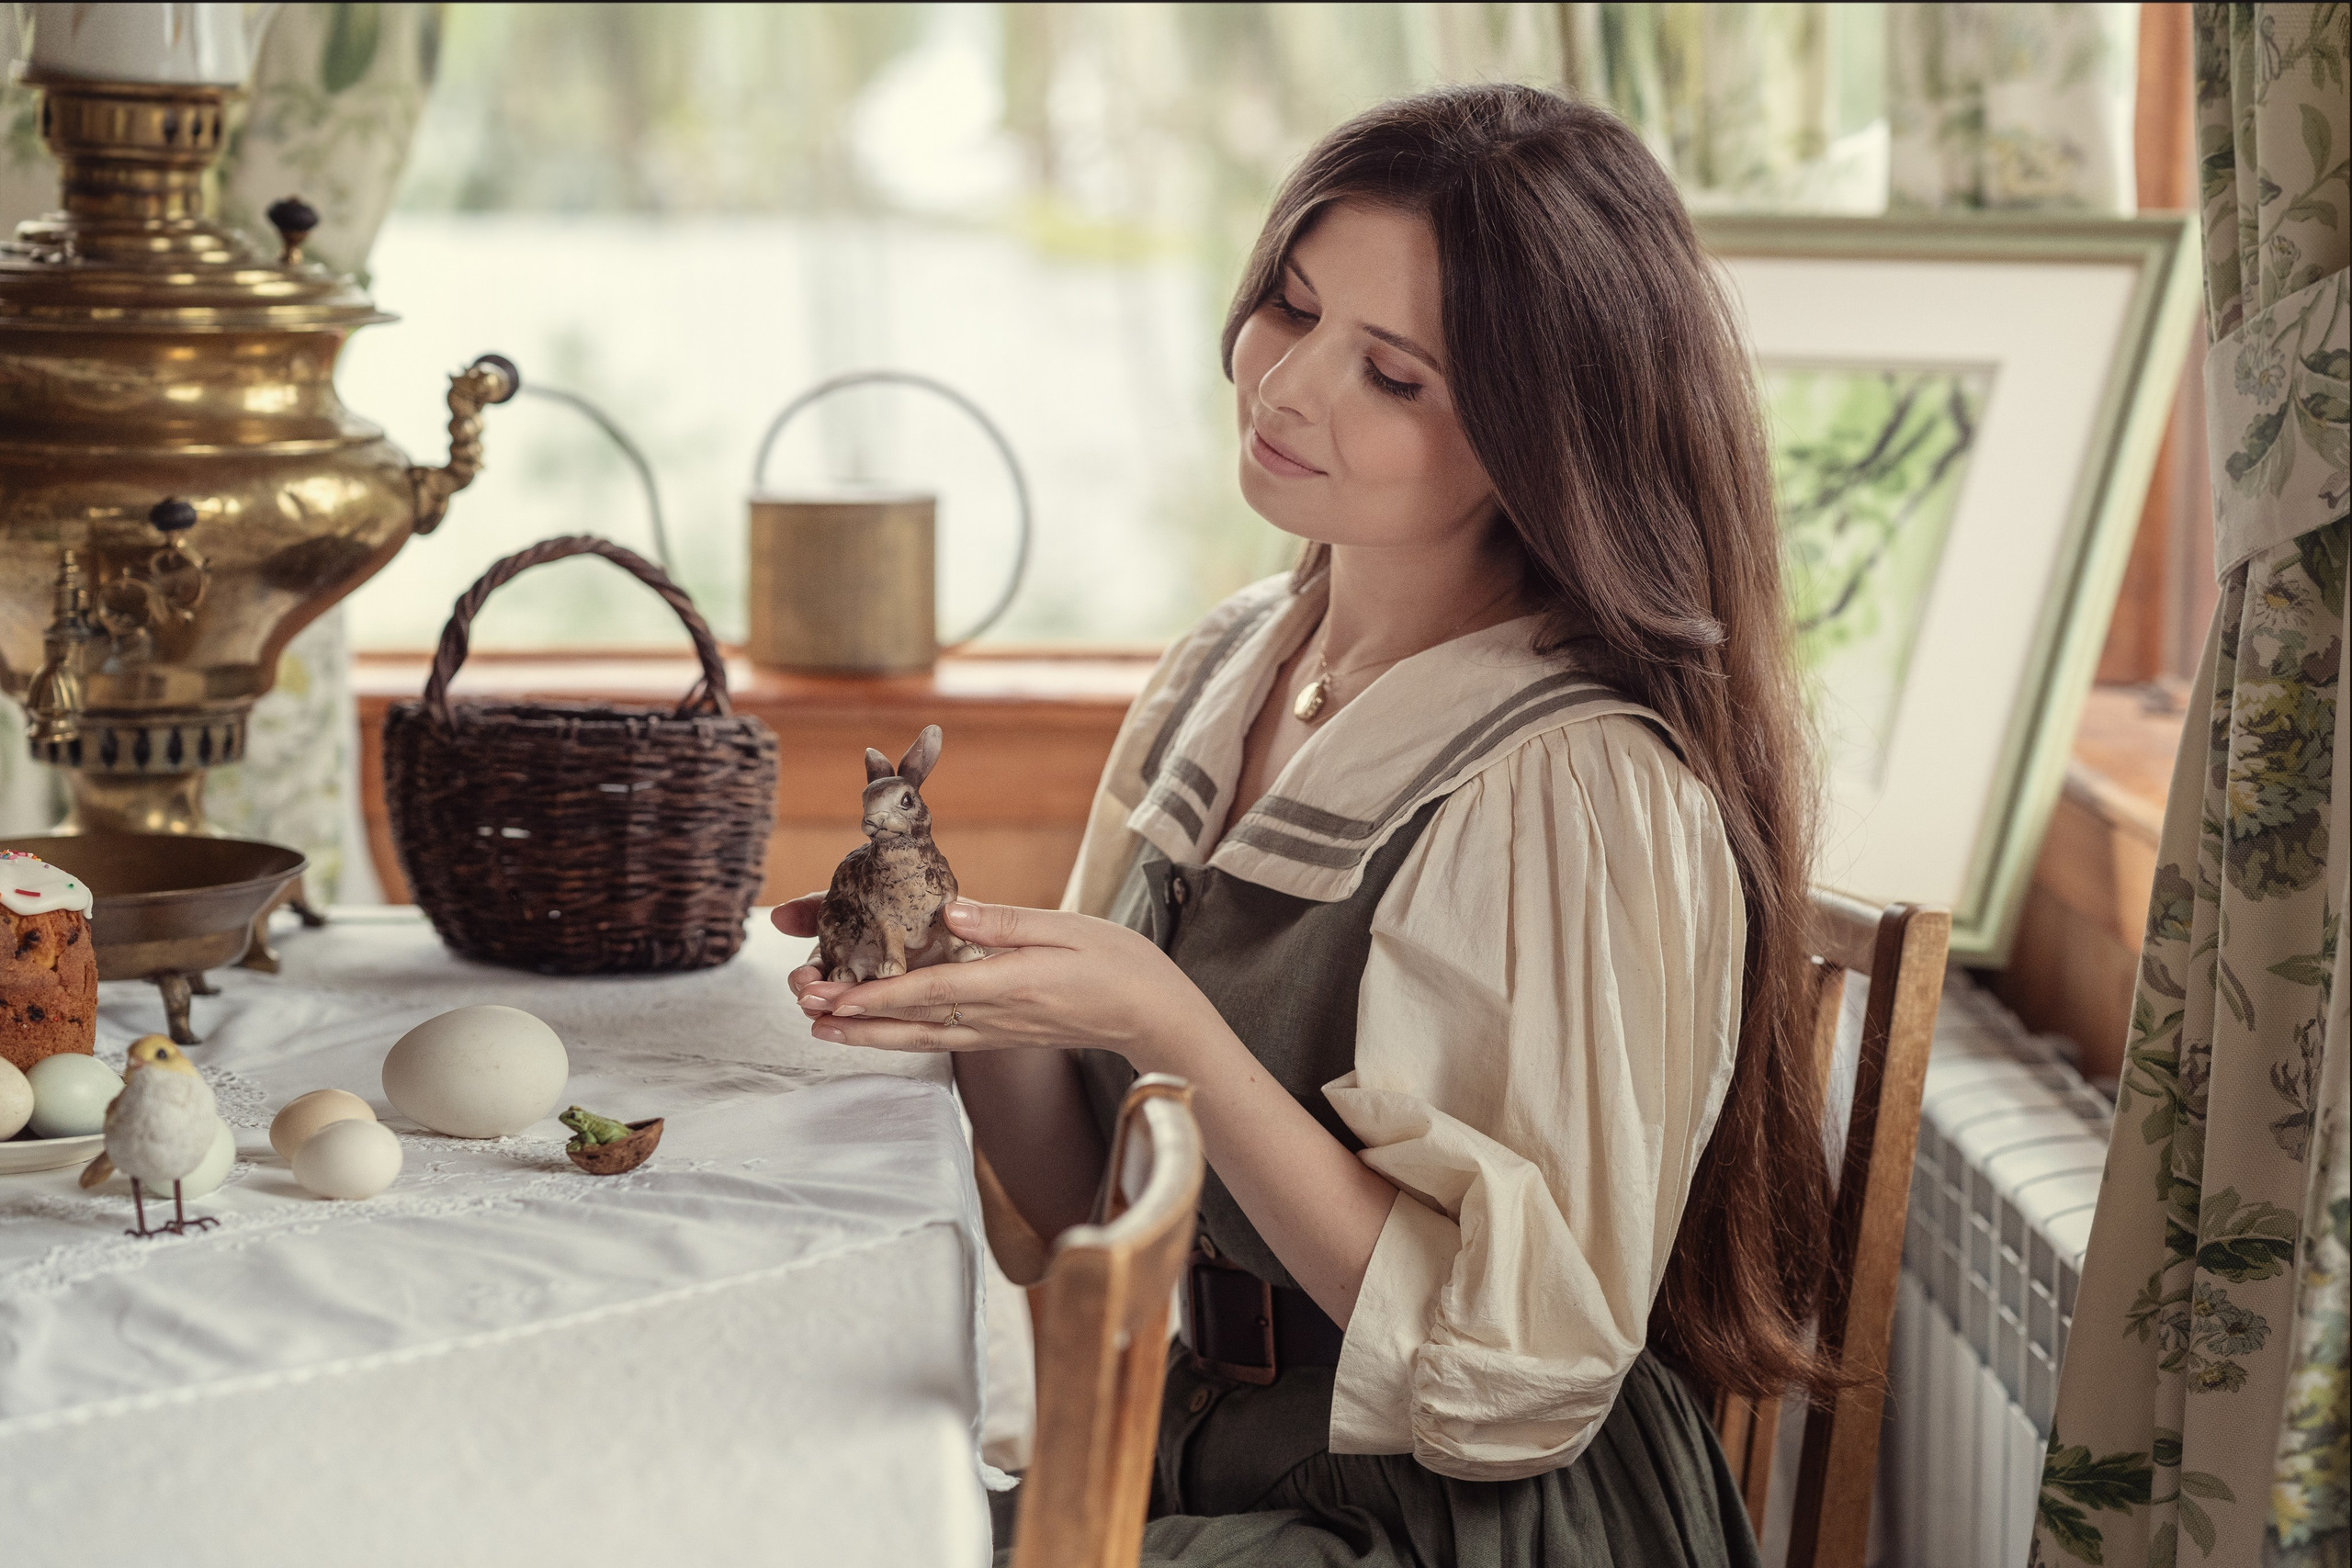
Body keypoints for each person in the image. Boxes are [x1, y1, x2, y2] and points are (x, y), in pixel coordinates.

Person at [778, 82, 1836, 1568]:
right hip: (1172, 1454)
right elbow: (1104, 1213)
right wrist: (975, 1002)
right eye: (1288, 306)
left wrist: (1166, 1020)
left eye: (1391, 376)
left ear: (1544, 440)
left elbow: (1515, 1388)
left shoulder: (1572, 788)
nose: (1284, 388)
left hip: (1438, 1523)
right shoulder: (1228, 667)